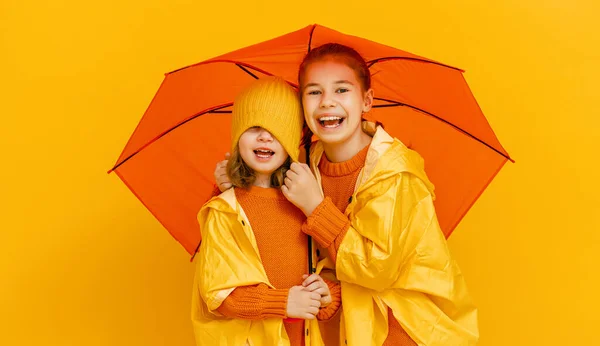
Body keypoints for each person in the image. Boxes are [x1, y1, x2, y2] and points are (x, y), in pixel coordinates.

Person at [216, 44, 479, 345]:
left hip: (407, 329)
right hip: (352, 331)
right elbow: (291, 245)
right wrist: (234, 181)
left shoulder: (395, 174)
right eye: (314, 92)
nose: (327, 102)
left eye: (341, 90)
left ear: (367, 100)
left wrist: (316, 206)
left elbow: (376, 270)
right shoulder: (306, 164)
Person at [192, 76, 341, 346]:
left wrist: (326, 294)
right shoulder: (225, 210)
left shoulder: (304, 202)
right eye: (254, 127)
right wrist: (283, 302)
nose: (265, 136)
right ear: (237, 137)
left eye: (278, 129)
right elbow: (220, 294)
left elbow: (330, 266)